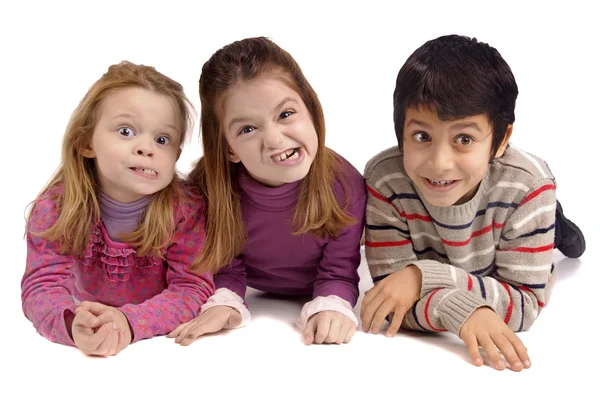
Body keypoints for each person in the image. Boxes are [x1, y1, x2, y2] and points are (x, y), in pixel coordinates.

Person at [360, 34, 585, 372]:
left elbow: (524, 305)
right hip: (466, 249)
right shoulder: (385, 180)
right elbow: (391, 297)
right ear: (400, 133)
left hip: (510, 210)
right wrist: (465, 313)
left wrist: (423, 275)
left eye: (464, 139)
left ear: (500, 140)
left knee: (553, 231)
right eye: (422, 137)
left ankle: (556, 225)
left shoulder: (528, 187)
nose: (439, 163)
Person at [168, 37, 367, 346]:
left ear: (311, 110)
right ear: (229, 149)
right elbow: (225, 265)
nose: (274, 140)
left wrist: (332, 305)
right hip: (255, 290)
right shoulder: (211, 190)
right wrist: (225, 302)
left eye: (286, 114)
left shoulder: (345, 186)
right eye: (247, 129)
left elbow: (339, 273)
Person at [21, 61, 214, 356]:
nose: (146, 148)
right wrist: (72, 323)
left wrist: (129, 321)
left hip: (157, 343)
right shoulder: (57, 208)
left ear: (175, 155)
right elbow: (41, 286)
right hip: (86, 311)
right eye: (126, 131)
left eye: (162, 139)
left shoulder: (186, 210)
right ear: (85, 142)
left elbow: (190, 288)